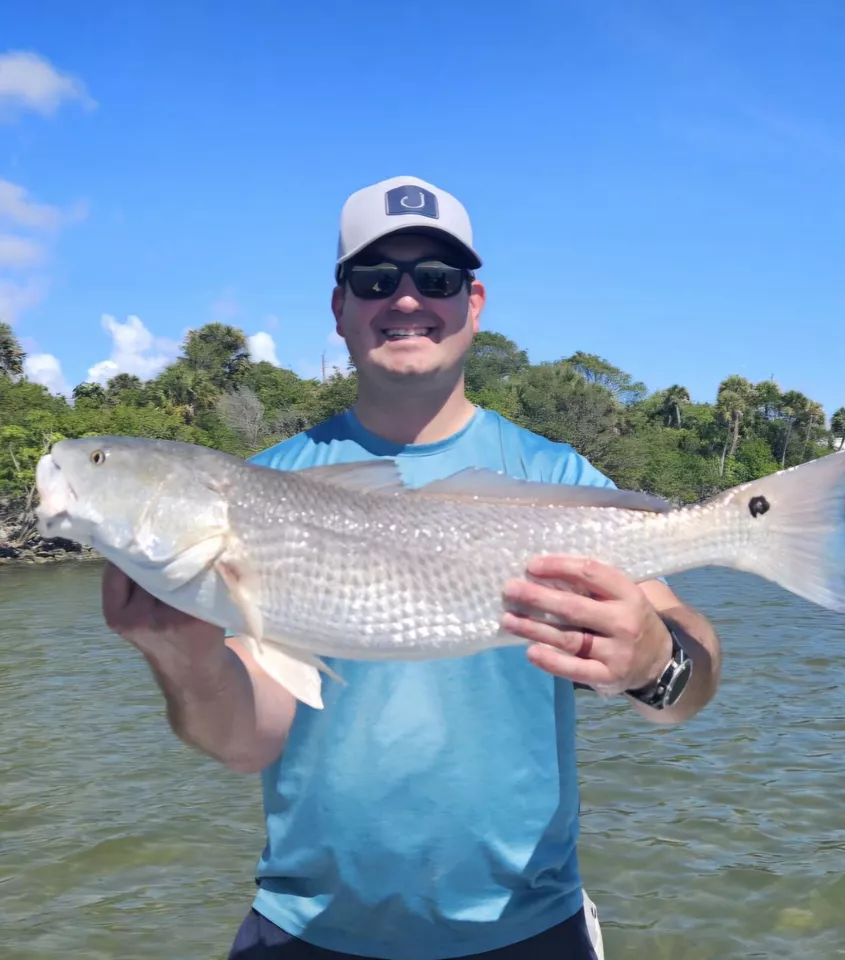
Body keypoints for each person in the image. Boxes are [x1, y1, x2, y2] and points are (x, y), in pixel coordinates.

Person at [102, 175, 723, 960]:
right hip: (309, 928)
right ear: (339, 307)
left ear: (475, 303)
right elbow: (246, 744)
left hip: (529, 926)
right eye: (374, 279)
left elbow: (690, 688)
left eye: (436, 279)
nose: (405, 300)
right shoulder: (258, 491)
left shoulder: (558, 479)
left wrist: (654, 662)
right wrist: (183, 657)